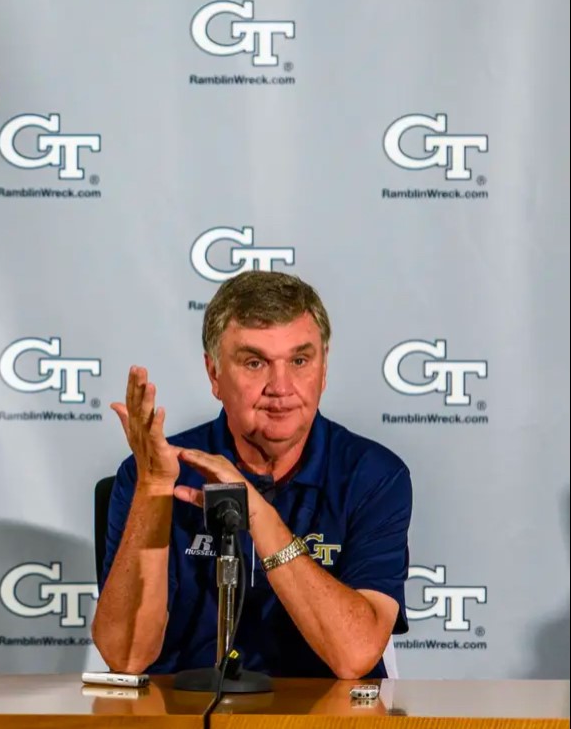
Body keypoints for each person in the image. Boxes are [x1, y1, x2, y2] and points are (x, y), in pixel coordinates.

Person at [93, 271, 411, 679]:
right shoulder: (159, 473)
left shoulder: (373, 475)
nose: (281, 386)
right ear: (214, 374)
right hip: (184, 718)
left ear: (324, 368)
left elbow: (354, 655)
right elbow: (126, 657)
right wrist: (153, 490)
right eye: (255, 363)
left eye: (300, 360)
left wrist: (255, 511)